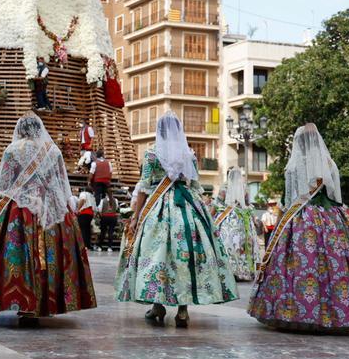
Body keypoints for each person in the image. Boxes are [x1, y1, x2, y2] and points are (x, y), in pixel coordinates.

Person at [248, 123, 349, 331]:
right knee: (339, 265)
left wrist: (280, 224)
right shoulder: (329, 163)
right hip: (332, 218)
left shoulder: (294, 166)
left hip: (299, 219)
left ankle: (294, 312)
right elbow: (336, 196)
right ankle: (340, 312)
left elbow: (288, 199)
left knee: (296, 264)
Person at [0, 114, 97, 320]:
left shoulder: (12, 150)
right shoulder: (53, 150)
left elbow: (4, 185)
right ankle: (49, 301)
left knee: (18, 255)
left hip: (20, 211)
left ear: (20, 129)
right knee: (54, 254)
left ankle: (25, 303)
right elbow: (62, 183)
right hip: (52, 210)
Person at [116, 112, 237, 327]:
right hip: (188, 208)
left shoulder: (152, 154)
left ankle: (158, 306)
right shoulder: (188, 154)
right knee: (186, 257)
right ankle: (182, 311)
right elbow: (195, 185)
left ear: (159, 130)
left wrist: (136, 217)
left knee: (156, 256)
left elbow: (144, 187)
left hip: (158, 209)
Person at [215, 167, 263, 281]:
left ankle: (230, 272)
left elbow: (217, 204)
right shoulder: (244, 188)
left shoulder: (224, 187)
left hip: (229, 220)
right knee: (244, 245)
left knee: (228, 244)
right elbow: (247, 205)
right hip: (243, 219)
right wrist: (254, 220)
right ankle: (245, 271)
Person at [75, 186, 96, 251]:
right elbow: (95, 207)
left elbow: (82, 200)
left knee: (82, 229)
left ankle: (83, 245)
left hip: (84, 212)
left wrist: (77, 209)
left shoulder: (83, 193)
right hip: (90, 213)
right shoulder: (92, 196)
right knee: (87, 230)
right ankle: (88, 245)